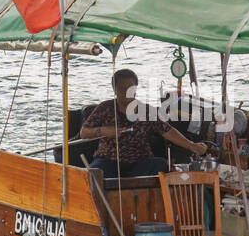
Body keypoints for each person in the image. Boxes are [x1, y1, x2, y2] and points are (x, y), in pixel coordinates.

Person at [80, 68, 208, 178]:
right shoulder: (105, 108)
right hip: (108, 161)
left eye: (130, 87)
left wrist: (191, 145)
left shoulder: (147, 110)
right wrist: (103, 131)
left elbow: (167, 131)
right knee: (93, 173)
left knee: (162, 164)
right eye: (121, 87)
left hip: (140, 161)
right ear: (114, 89)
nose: (126, 91)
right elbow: (83, 133)